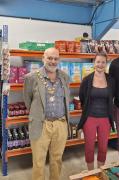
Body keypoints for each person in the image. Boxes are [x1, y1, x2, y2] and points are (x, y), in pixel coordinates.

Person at [23, 47, 70, 180]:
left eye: (56, 58)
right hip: (41, 124)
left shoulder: (65, 77)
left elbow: (65, 99)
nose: (52, 61)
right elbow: (28, 100)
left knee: (57, 159)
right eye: (49, 58)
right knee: (38, 161)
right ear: (43, 58)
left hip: (60, 124)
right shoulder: (31, 78)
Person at [78, 52, 115, 170]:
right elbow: (82, 97)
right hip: (90, 118)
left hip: (105, 119)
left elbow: (113, 96)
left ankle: (100, 171)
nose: (100, 64)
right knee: (89, 147)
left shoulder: (111, 80)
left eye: (103, 62)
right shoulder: (87, 80)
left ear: (106, 64)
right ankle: (90, 173)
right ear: (94, 63)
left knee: (103, 147)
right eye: (98, 62)